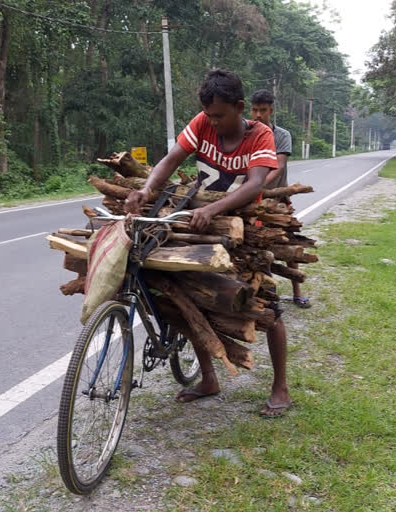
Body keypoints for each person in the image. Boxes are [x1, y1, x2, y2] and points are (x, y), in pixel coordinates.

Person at [125, 69, 292, 417]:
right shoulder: (201, 123)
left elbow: (255, 183)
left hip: (244, 228)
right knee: (187, 299)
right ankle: (209, 379)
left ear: (239, 107)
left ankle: (280, 387)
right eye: (209, 115)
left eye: (220, 115)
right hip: (199, 223)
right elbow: (170, 161)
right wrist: (145, 190)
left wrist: (215, 208)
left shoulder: (260, 135)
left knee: (267, 309)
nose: (213, 122)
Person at [249, 89, 310, 309]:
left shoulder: (282, 136)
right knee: (255, 245)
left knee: (287, 246)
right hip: (252, 202)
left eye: (262, 110)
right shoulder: (246, 133)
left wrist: (257, 186)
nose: (257, 115)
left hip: (278, 201)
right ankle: (263, 291)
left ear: (270, 111)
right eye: (254, 110)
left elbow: (278, 165)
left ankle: (297, 291)